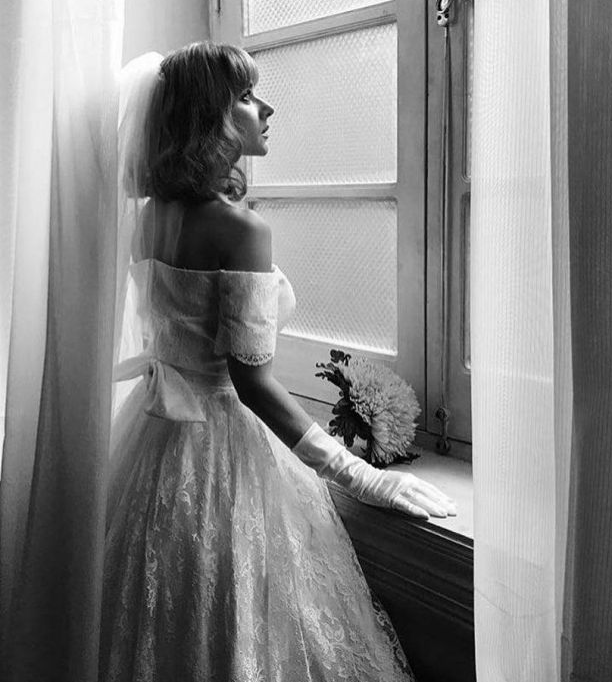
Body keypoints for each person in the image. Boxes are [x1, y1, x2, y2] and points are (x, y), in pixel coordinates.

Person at [100, 40, 456, 682]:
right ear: (208, 118)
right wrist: (361, 476)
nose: (266, 109)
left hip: (152, 439)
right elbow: (251, 382)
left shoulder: (150, 216)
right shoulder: (240, 230)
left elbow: (175, 335)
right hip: (222, 450)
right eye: (244, 96)